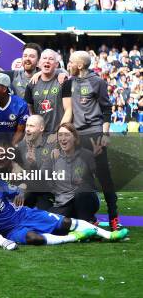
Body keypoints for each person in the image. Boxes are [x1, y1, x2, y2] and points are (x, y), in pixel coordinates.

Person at [0, 179, 128, 245]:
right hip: (10, 231)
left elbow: (20, 188)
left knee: (65, 223)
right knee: (34, 238)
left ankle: (109, 235)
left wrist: (20, 194)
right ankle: (75, 237)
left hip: (24, 215)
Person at [61, 51, 119, 229]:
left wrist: (105, 134)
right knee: (81, 176)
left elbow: (106, 109)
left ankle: (113, 217)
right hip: (77, 137)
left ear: (79, 65)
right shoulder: (68, 82)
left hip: (94, 135)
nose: (68, 64)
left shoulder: (98, 82)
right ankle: (87, 217)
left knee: (104, 176)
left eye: (70, 62)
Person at [24, 49, 70, 134]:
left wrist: (60, 132)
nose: (47, 61)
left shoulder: (63, 82)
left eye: (51, 59)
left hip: (58, 133)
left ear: (56, 64)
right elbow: (30, 110)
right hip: (39, 134)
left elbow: (69, 110)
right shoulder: (32, 84)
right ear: (39, 63)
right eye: (44, 58)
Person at [14, 115, 54, 210]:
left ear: (41, 128)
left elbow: (43, 176)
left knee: (46, 217)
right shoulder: (21, 146)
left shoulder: (51, 146)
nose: (27, 129)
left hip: (47, 191)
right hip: (28, 188)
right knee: (15, 204)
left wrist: (33, 165)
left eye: (31, 126)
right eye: (27, 126)